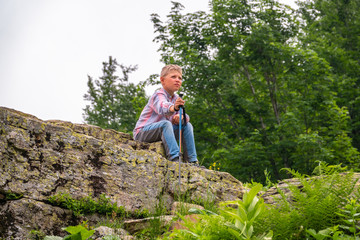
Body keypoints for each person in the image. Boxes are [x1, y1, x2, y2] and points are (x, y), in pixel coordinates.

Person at [133, 64, 200, 166]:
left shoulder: (176, 98)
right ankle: (175, 158)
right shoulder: (158, 95)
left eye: (180, 78)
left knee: (187, 125)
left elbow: (185, 117)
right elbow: (163, 108)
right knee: (165, 124)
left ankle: (192, 161)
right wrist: (174, 108)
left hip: (162, 133)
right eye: (173, 77)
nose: (177, 80)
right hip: (142, 133)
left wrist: (181, 117)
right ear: (162, 80)